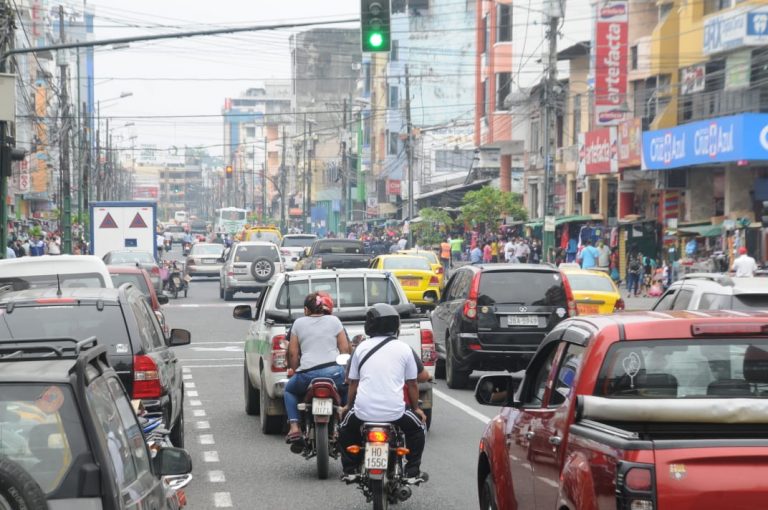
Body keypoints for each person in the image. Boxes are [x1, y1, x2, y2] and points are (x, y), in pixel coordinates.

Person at [339, 303, 427, 483]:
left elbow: (353, 383)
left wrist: (348, 406)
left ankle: (350, 470)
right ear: (396, 325)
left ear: (369, 325)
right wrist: (416, 408)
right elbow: (412, 384)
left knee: (345, 429)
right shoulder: (404, 349)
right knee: (418, 429)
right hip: (396, 412)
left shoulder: (360, 349)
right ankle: (412, 471)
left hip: (363, 411)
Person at [284, 292, 349, 450]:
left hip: (307, 375)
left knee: (289, 390)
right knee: (348, 386)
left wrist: (294, 369)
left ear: (306, 309)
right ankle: (346, 421)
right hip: (334, 373)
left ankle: (294, 427)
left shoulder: (299, 323)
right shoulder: (334, 321)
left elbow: (292, 352)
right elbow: (345, 349)